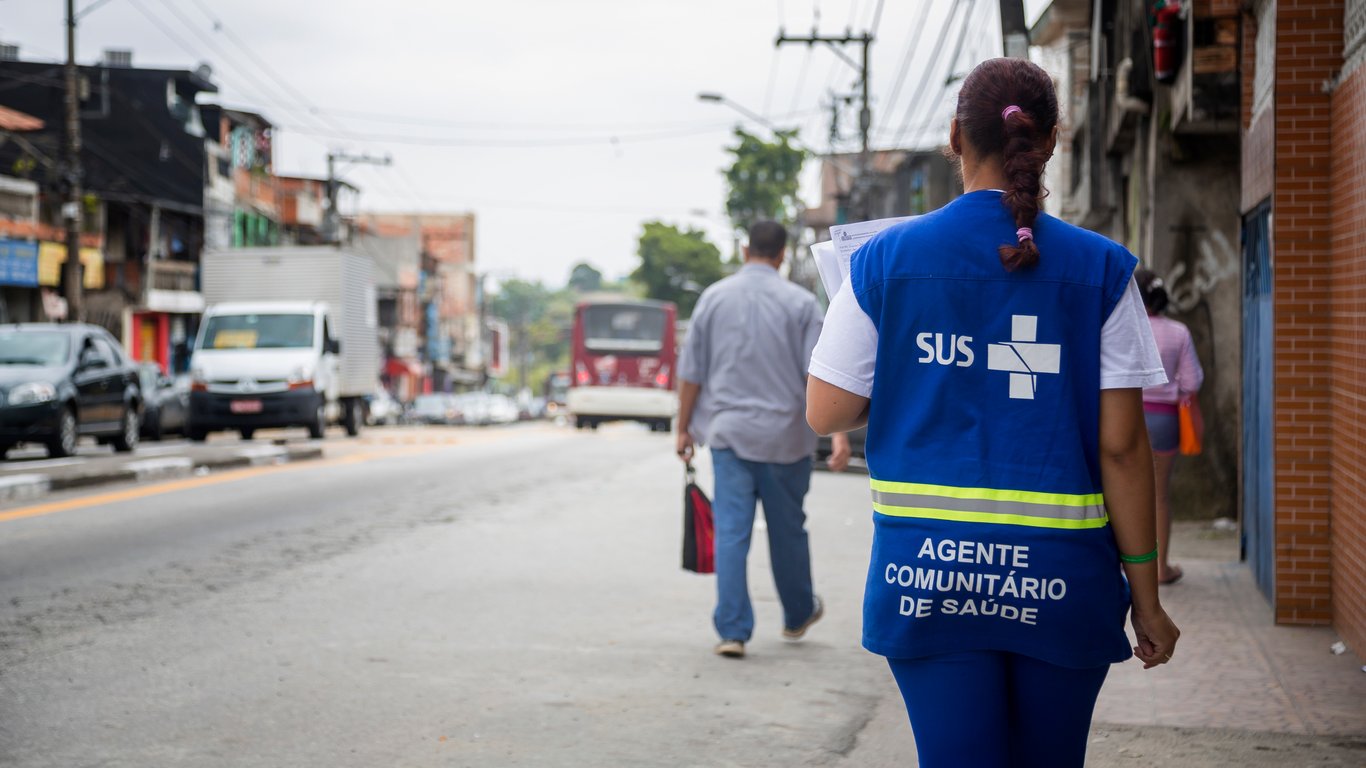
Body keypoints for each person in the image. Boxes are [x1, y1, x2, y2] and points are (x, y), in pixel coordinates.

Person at [804, 58, 1180, 768]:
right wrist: (1147, 597)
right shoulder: (1102, 270)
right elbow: (1125, 451)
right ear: (1051, 142)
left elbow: (826, 412)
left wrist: (919, 359)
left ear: (954, 137)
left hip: (927, 577)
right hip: (1063, 579)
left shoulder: (882, 262)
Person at [676, 220, 850, 659]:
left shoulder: (712, 299)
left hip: (729, 436)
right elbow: (820, 375)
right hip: (787, 441)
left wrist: (682, 427)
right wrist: (841, 435)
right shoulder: (801, 304)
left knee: (732, 533)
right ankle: (796, 616)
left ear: (743, 249)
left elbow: (691, 373)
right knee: (787, 529)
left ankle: (733, 630)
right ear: (782, 255)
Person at [1136, 269, 1204, 585]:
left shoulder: (1127, 329)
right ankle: (1161, 569)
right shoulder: (1179, 332)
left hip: (1128, 417)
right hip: (1165, 420)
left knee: (1123, 489)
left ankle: (1126, 567)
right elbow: (1191, 381)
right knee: (1160, 495)